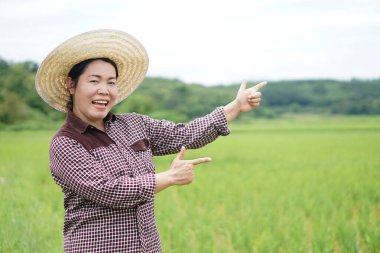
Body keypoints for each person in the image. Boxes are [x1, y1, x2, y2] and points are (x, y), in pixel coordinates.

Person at [35, 29, 267, 253]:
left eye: (111, 82)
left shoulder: (134, 125)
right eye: (94, 81)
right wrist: (168, 177)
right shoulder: (66, 143)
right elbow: (108, 191)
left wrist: (235, 107)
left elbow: (184, 135)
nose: (104, 90)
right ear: (71, 85)